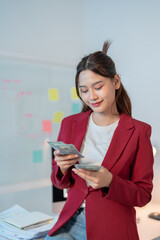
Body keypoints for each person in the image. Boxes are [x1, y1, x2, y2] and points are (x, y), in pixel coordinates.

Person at [45, 41, 154, 240]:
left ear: (116, 82)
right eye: (84, 90)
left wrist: (110, 181)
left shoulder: (139, 131)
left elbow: (143, 194)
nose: (91, 96)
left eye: (98, 87)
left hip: (111, 228)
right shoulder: (70, 123)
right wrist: (61, 168)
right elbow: (59, 183)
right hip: (70, 221)